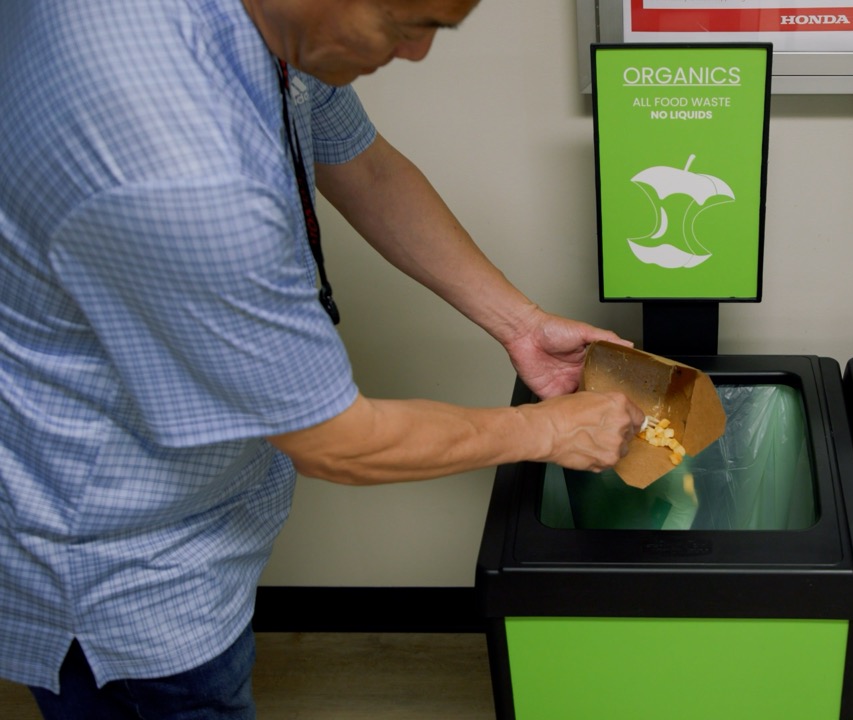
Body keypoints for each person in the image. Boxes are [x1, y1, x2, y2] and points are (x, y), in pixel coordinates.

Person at [0, 0, 645, 716]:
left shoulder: (278, 31)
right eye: (409, 24)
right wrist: (549, 431)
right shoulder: (180, 162)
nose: (418, 54)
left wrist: (520, 324)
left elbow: (362, 165)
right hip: (124, 562)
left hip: (200, 505)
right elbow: (337, 441)